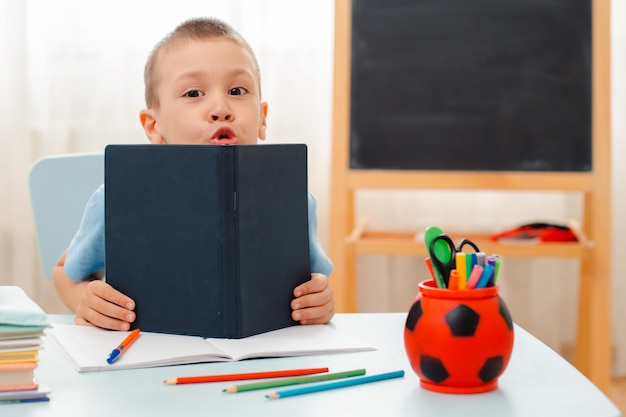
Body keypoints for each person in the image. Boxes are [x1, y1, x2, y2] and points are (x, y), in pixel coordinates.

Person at [52, 17, 335, 331]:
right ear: (153, 126)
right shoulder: (116, 199)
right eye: (193, 93)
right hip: (147, 365)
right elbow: (64, 271)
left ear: (262, 118)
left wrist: (320, 298)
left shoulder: (293, 198)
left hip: (255, 365)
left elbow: (315, 279)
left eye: (237, 90)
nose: (220, 107)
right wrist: (82, 299)